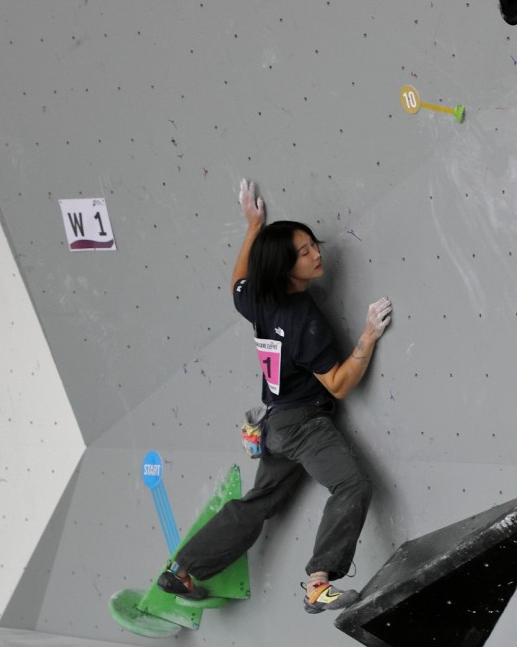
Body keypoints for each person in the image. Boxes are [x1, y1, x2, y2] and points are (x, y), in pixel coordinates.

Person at [157, 178, 392, 614]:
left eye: (313, 245)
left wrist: (253, 226)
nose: (316, 254)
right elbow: (338, 384)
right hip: (303, 425)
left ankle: (183, 568)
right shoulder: (305, 321)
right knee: (351, 484)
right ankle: (319, 582)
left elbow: (237, 283)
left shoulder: (260, 298)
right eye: (303, 253)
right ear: (285, 267)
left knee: (259, 502)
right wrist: (368, 335)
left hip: (276, 425)